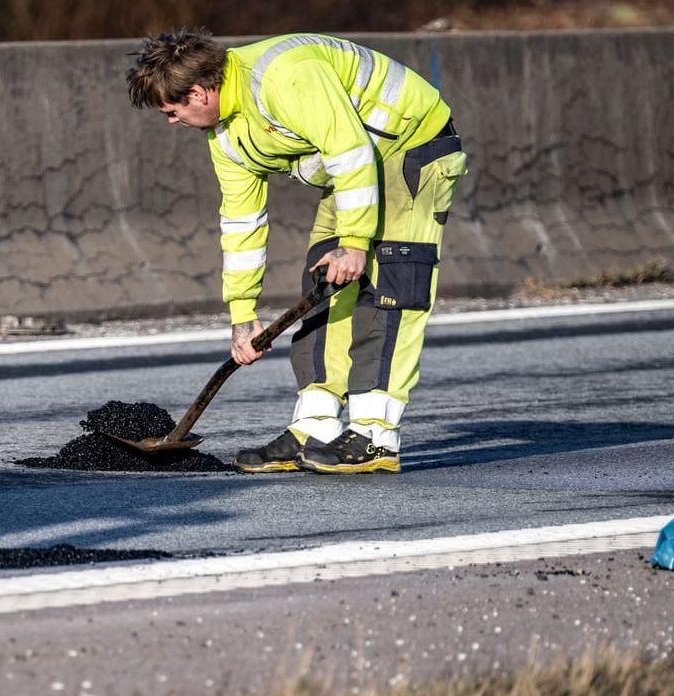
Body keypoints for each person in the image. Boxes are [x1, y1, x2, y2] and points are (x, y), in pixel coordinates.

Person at [127, 30, 467, 474]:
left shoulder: (284, 77)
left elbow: (348, 150)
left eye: (173, 111)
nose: (171, 121)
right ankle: (315, 427)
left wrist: (355, 243)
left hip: (410, 147)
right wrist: (242, 313)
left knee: (389, 286)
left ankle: (375, 435)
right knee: (324, 284)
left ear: (198, 92)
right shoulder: (225, 134)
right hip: (355, 172)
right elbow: (241, 221)